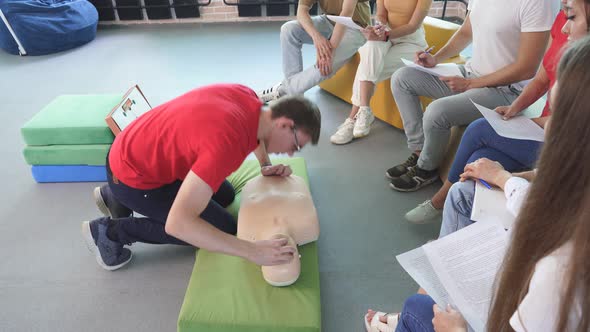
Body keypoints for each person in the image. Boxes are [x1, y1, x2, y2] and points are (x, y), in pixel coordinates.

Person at [364, 33, 590, 332]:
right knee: (464, 191)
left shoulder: (560, 274)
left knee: (416, 309)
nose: (547, 124)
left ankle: (423, 304)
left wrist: (455, 330)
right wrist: (506, 178)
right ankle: (442, 275)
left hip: (512, 307)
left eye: (554, 118)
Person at [81, 84, 322, 271]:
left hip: (132, 150)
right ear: (284, 124)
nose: (291, 153)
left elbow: (258, 132)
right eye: (297, 145)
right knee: (221, 229)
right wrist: (252, 251)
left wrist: (265, 165)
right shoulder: (225, 144)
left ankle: (113, 196)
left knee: (226, 194)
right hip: (132, 176)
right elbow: (179, 224)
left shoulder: (249, 99)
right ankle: (109, 232)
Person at [404, 0, 572, 223]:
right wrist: (516, 108)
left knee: (477, 129)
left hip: (563, 142)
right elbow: (541, 78)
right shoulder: (563, 23)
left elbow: (573, 124)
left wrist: (535, 122)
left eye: (572, 14)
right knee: (475, 163)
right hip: (539, 125)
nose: (563, 25)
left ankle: (439, 198)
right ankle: (452, 233)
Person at [329, 0, 431, 144]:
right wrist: (378, 27)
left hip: (411, 42)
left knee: (370, 65)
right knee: (370, 46)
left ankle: (352, 118)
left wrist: (386, 35)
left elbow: (413, 26)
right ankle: (364, 109)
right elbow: (381, 14)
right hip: (386, 35)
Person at [256, 0, 370, 103]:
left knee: (325, 65)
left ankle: (282, 91)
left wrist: (330, 51)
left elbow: (345, 14)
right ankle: (296, 99)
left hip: (356, 27)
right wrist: (316, 37)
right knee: (288, 30)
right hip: (329, 20)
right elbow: (302, 10)